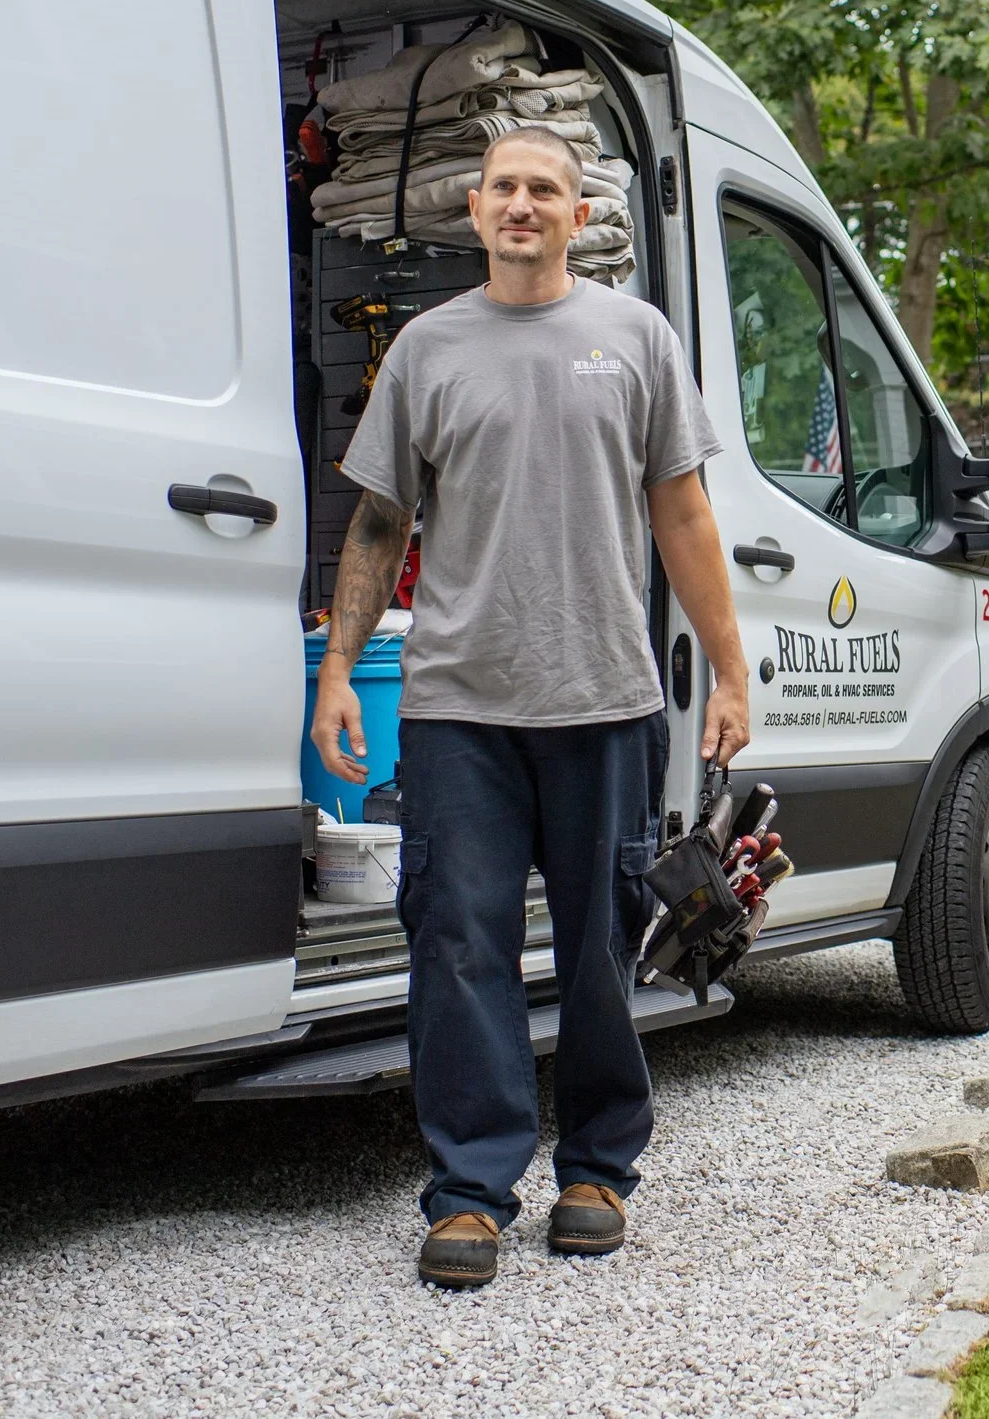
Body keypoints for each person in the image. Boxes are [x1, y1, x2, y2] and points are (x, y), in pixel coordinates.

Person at [311, 125, 749, 1290]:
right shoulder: (426, 346)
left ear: (578, 211)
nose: (521, 203)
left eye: (543, 188)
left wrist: (729, 669)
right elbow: (375, 522)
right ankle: (469, 1191)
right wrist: (337, 670)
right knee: (461, 942)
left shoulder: (634, 337)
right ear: (474, 206)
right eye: (504, 186)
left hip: (604, 697)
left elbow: (686, 515)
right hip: (459, 703)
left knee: (604, 946)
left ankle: (599, 1168)